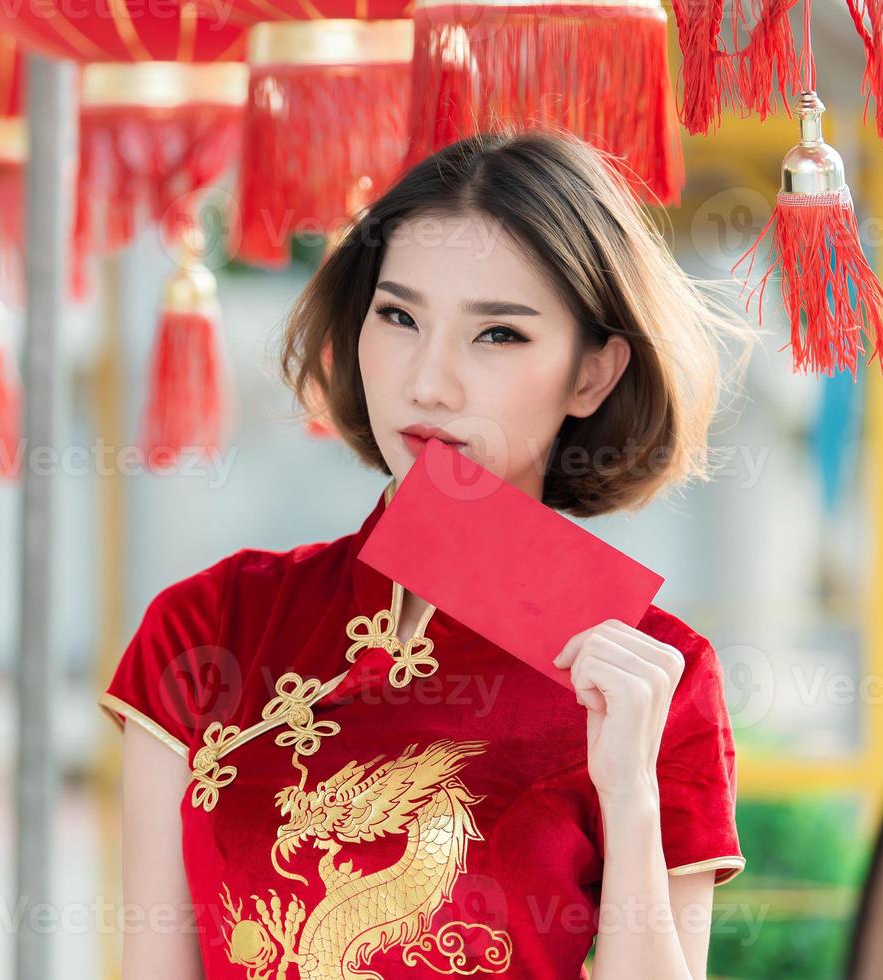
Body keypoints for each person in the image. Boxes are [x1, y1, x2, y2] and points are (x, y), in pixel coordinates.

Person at [100, 129, 757, 979]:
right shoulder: (208, 627)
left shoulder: (656, 677)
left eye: (499, 336)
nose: (429, 382)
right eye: (400, 317)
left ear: (592, 376)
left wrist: (629, 793)